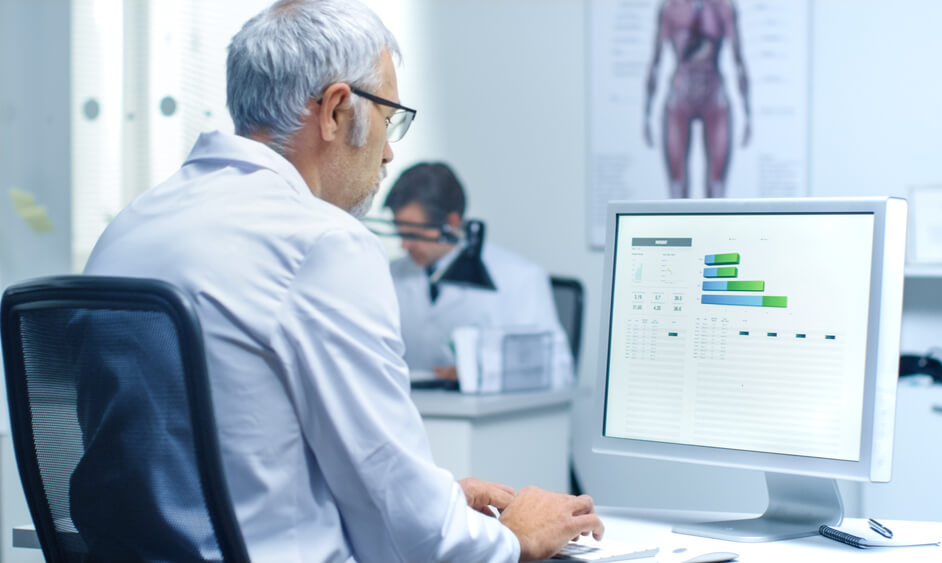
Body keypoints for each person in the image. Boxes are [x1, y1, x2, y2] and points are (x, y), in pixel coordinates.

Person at [81, 0, 602, 560]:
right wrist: (513, 535)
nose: (389, 151)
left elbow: (214, 474)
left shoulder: (128, 228)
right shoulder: (321, 242)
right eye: (387, 118)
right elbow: (415, 533)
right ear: (334, 110)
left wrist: (437, 499)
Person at [384, 162, 574, 388]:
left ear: (452, 223)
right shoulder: (388, 275)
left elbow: (558, 371)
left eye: (414, 234)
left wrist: (480, 370)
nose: (405, 245)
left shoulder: (519, 277)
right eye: (400, 233)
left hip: (491, 420)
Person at [642, 0, 751, 199]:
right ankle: (680, 229)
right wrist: (646, 115)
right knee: (677, 187)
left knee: (717, 188)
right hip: (680, 96)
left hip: (714, 96)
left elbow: (738, 60)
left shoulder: (723, 8)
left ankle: (714, 230)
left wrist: (748, 115)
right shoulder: (670, 9)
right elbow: (656, 61)